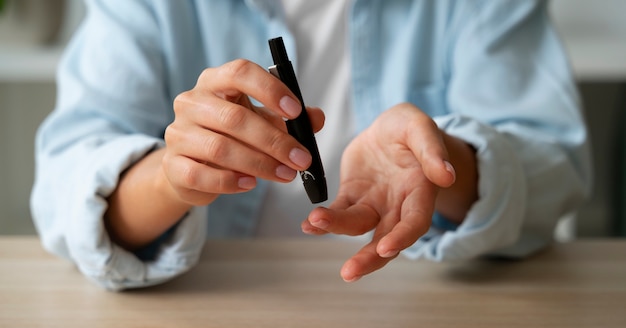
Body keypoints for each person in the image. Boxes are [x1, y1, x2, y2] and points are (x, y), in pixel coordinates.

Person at [31, 0, 591, 290]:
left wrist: (445, 159)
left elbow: (557, 170)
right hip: (220, 318)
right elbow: (63, 187)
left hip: (428, 310)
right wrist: (171, 177)